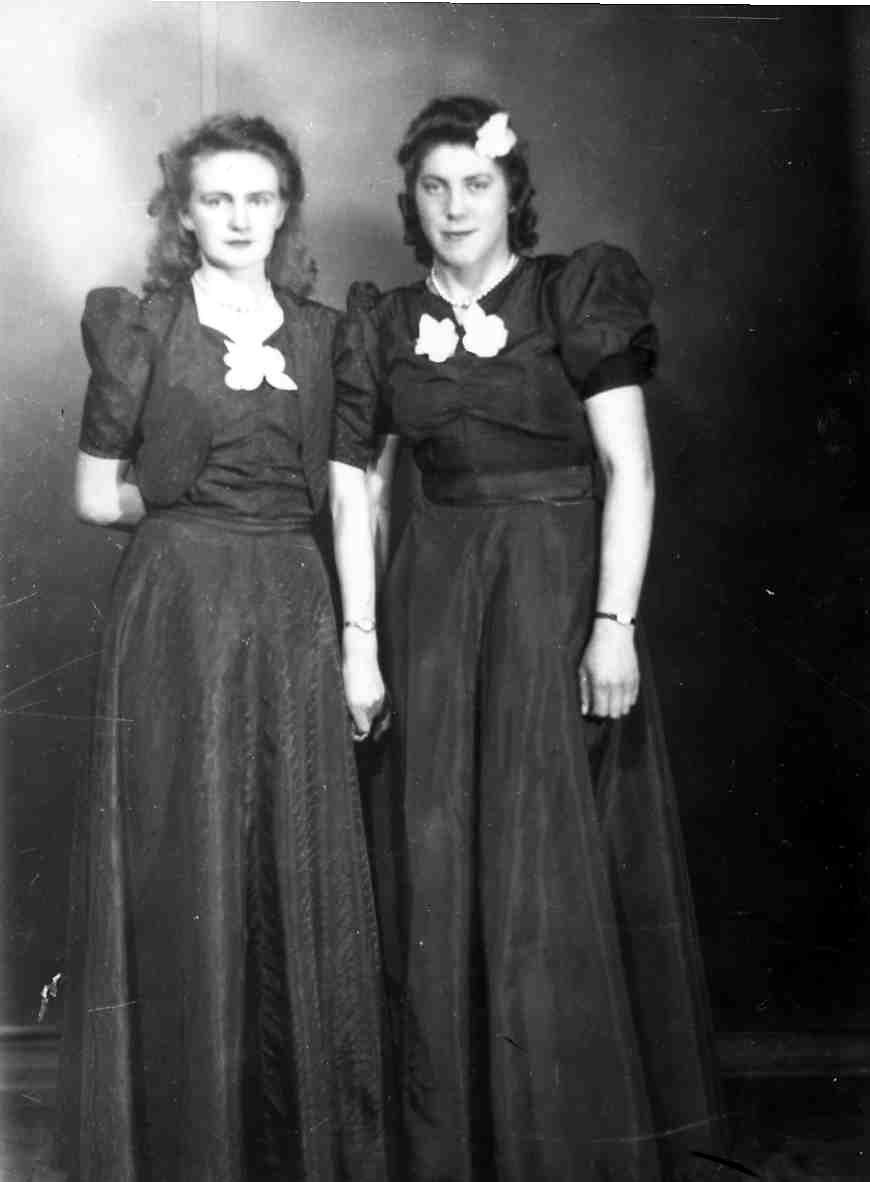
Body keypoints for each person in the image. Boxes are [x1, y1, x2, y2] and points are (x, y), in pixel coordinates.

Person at [329, 95, 724, 1182]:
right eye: (434, 186)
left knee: (544, 860)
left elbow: (630, 470)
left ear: (513, 194)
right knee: (439, 854)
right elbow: (363, 492)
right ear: (411, 200)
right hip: (432, 604)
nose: (456, 206)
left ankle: (561, 1141)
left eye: (478, 184)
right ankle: (452, 1142)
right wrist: (361, 641)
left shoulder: (570, 293)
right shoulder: (383, 321)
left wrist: (613, 625)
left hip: (554, 598)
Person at [55, 113, 389, 1182]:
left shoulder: (329, 335)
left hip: (293, 604)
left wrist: (362, 646)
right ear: (184, 215)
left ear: (284, 209)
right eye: (216, 199)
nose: (239, 218)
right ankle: (183, 1140)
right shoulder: (143, 326)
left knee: (290, 853)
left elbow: (351, 502)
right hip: (178, 610)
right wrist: (189, 507)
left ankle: (284, 1140)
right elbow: (95, 496)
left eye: (258, 198)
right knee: (183, 851)